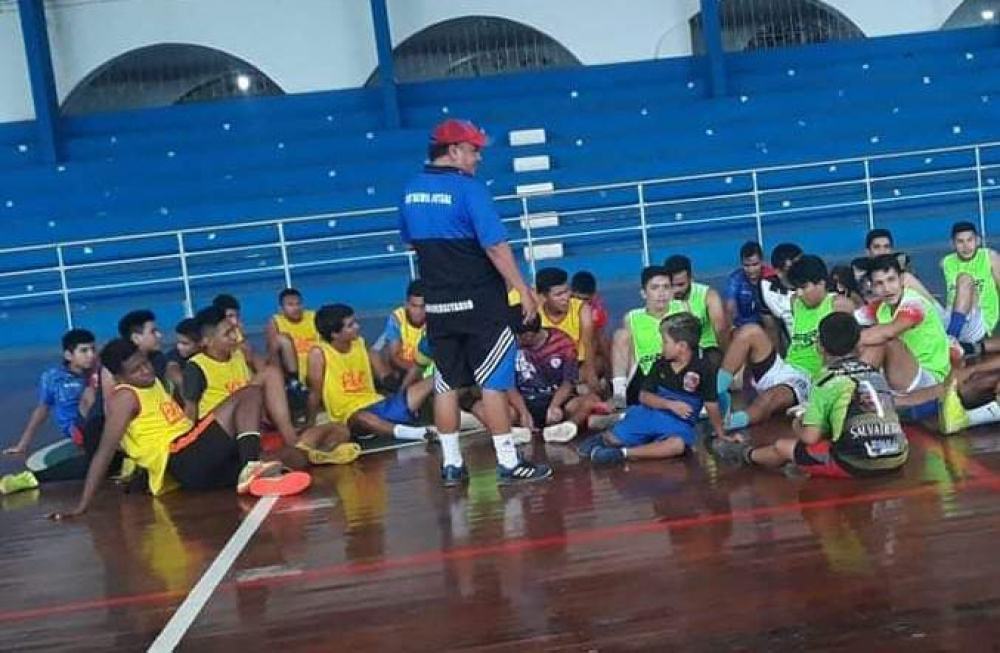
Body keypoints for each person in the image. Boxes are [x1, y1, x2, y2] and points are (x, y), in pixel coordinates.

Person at [398, 118, 550, 486]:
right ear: (452, 151)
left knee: (446, 385)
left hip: (438, 306)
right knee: (494, 383)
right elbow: (495, 246)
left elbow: (409, 242)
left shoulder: (410, 190)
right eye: (473, 150)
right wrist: (523, 289)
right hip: (482, 304)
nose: (478, 157)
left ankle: (452, 465)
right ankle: (509, 462)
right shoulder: (470, 190)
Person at [48, 339, 309, 519]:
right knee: (250, 393)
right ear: (119, 377)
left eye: (145, 363)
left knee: (295, 457)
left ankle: (255, 474)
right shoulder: (124, 397)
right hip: (180, 454)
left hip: (196, 465)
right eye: (136, 370)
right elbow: (105, 452)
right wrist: (82, 507)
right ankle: (251, 467)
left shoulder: (152, 383)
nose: (146, 371)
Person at [713, 312, 908, 479]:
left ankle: (745, 454)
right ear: (858, 345)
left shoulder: (826, 380)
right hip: (898, 455)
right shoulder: (873, 372)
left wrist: (798, 422)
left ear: (819, 347)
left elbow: (810, 437)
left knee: (783, 447)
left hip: (857, 462)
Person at [578, 313, 725, 464]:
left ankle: (623, 454)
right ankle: (604, 439)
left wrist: (721, 433)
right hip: (650, 414)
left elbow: (711, 404)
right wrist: (669, 405)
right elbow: (644, 396)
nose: (662, 346)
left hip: (679, 424)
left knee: (677, 445)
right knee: (615, 438)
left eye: (665, 342)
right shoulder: (660, 364)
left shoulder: (705, 368)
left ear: (681, 346)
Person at [307, 304, 434, 442]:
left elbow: (381, 375)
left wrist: (398, 383)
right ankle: (419, 433)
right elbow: (315, 393)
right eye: (350, 325)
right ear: (334, 334)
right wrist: (310, 423)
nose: (357, 327)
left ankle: (449, 417)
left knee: (434, 379)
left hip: (378, 404)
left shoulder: (360, 343)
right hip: (351, 416)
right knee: (363, 417)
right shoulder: (318, 353)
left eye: (355, 322)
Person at [183, 306, 303, 447]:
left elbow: (269, 373)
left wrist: (250, 353)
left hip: (245, 419)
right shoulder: (196, 366)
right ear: (206, 341)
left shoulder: (239, 354)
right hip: (219, 429)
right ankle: (290, 441)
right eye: (227, 334)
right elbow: (191, 410)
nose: (235, 337)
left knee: (271, 373)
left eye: (234, 330)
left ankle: (290, 438)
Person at [0, 330, 98, 494]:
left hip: (99, 423)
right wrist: (22, 444)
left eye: (93, 350)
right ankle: (28, 479)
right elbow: (42, 409)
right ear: (68, 355)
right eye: (84, 351)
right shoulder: (54, 378)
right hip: (78, 430)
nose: (91, 355)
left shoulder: (100, 372)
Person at [859, 254, 951, 397]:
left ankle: (856, 390)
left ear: (901, 279)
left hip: (931, 378)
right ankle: (854, 389)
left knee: (884, 340)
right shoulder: (881, 307)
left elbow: (889, 332)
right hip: (903, 372)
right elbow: (850, 320)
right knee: (870, 339)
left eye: (891, 280)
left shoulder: (914, 303)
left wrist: (846, 341)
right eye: (879, 283)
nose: (887, 288)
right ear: (872, 286)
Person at [508, 313, 599, 443]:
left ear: (528, 335)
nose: (515, 338)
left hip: (558, 400)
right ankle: (512, 432)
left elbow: (568, 382)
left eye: (517, 336)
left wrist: (554, 406)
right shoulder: (508, 345)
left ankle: (568, 428)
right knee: (488, 407)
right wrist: (523, 412)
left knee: (591, 400)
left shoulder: (562, 342)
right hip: (523, 401)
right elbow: (508, 384)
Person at [611, 265, 672, 408]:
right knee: (621, 335)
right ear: (644, 293)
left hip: (676, 376)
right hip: (645, 376)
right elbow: (630, 354)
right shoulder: (632, 317)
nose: (661, 293)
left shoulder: (683, 310)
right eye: (655, 288)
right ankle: (619, 396)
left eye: (666, 287)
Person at [535, 267, 599, 394]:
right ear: (543, 297)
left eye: (567, 291)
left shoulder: (582, 308)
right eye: (558, 294)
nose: (566, 297)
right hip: (548, 369)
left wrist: (592, 377)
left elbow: (588, 345)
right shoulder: (536, 315)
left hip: (578, 366)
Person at [940, 221, 1000, 348]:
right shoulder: (946, 262)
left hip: (977, 321)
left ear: (977, 241)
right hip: (951, 317)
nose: (966, 246)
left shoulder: (990, 257)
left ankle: (951, 341)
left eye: (969, 240)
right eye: (960, 242)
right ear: (952, 244)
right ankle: (951, 339)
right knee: (907, 279)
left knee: (964, 278)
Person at [663, 255, 728, 368]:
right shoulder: (662, 299)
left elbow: (721, 329)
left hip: (707, 349)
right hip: (678, 352)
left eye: (681, 285)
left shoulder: (708, 295)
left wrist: (728, 361)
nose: (676, 290)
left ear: (691, 278)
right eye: (671, 285)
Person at [371, 280, 427, 386]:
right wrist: (414, 371)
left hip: (424, 367)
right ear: (406, 304)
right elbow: (395, 356)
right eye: (414, 306)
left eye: (423, 306)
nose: (418, 312)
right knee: (375, 353)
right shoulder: (397, 318)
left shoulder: (435, 317)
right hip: (403, 365)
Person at [265, 288, 319, 385]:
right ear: (281, 309)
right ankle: (292, 382)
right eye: (290, 305)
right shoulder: (275, 321)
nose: (296, 308)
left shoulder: (313, 317)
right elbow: (272, 351)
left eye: (298, 304)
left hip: (315, 365)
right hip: (291, 370)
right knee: (282, 339)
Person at [759, 242, 803, 345]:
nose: (800, 270)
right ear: (778, 272)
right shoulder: (767, 289)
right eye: (793, 267)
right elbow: (772, 328)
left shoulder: (814, 284)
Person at [571, 270, 611, 380]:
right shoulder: (562, 306)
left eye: (586, 300)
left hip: (587, 358)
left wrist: (610, 368)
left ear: (594, 295)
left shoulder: (597, 309)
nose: (581, 303)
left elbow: (601, 339)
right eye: (578, 299)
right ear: (571, 293)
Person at [724, 241, 770, 329]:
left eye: (755, 264)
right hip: (742, 326)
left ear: (762, 261)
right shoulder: (735, 279)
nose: (751, 270)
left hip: (767, 325)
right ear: (741, 264)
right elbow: (730, 306)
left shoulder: (771, 277)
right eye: (746, 265)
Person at [165, 317, 201, 401]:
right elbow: (172, 368)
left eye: (185, 343)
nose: (179, 347)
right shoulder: (175, 354)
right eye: (178, 342)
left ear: (200, 343)